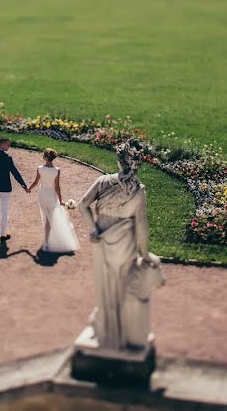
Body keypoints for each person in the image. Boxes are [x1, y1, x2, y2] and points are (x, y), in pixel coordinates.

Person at [78, 138, 163, 350]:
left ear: (118, 161)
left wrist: (94, 229)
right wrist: (144, 254)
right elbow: (142, 226)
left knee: (105, 288)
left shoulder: (103, 181)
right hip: (125, 245)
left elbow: (83, 205)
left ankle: (107, 331)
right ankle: (122, 333)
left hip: (102, 242)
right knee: (122, 288)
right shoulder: (139, 190)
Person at [27, 149, 80, 254]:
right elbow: (57, 187)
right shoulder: (57, 170)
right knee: (49, 217)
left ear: (44, 157)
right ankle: (48, 241)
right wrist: (60, 200)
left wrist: (29, 188)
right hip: (51, 194)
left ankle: (47, 241)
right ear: (53, 158)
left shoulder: (40, 169)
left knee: (45, 216)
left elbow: (36, 182)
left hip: (42, 194)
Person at [0, 138, 28, 244]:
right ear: (2, 144)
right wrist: (24, 185)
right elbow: (15, 172)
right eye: (8, 144)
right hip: (5, 189)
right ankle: (3, 234)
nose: (9, 146)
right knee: (4, 211)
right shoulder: (7, 157)